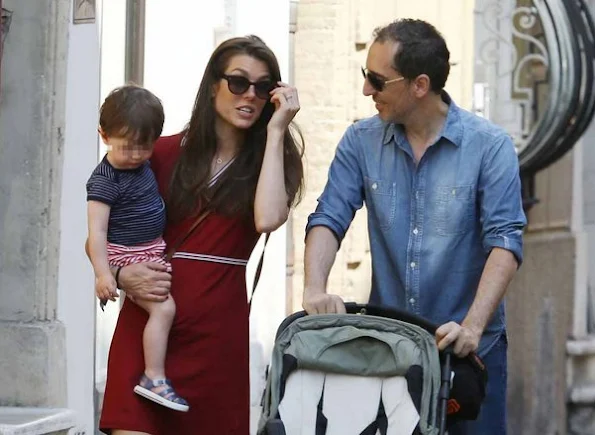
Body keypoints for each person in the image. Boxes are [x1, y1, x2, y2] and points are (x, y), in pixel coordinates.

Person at [301, 19, 526, 435]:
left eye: (377, 80)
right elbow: (329, 216)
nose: (367, 90)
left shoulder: (489, 146)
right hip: (388, 354)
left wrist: (473, 326)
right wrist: (315, 285)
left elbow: (506, 241)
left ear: (419, 85)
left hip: (468, 355)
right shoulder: (359, 142)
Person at [97, 35, 304, 435]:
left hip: (216, 334)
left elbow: (266, 218)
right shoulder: (159, 153)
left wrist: (277, 132)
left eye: (264, 87)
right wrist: (120, 276)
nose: (250, 95)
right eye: (238, 82)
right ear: (213, 86)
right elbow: (98, 229)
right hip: (148, 325)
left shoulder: (272, 166)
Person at [87, 85, 189, 412]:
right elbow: (97, 232)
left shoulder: (139, 163)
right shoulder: (104, 180)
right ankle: (153, 377)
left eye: (145, 148)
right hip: (125, 254)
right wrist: (105, 275)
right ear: (104, 135)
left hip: (148, 250)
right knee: (164, 309)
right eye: (127, 147)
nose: (135, 156)